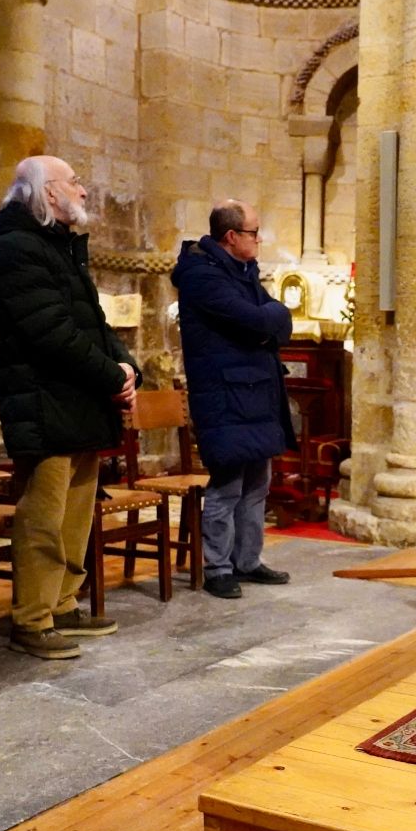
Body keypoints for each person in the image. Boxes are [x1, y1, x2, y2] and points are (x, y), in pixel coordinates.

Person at [0, 156, 140, 660]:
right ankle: (31, 618)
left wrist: (127, 365)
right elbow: (51, 333)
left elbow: (93, 321)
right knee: (43, 518)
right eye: (75, 182)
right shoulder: (15, 249)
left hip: (78, 401)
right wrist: (111, 376)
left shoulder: (59, 246)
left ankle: (64, 604)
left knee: (75, 515)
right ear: (48, 192)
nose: (84, 191)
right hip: (44, 401)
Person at [171, 199, 296, 600]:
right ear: (231, 236)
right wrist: (265, 324)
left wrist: (266, 323)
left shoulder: (242, 272)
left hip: (255, 390)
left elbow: (279, 318)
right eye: (253, 233)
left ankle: (248, 560)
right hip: (225, 393)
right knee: (227, 485)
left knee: (258, 483)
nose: (259, 240)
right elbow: (258, 320)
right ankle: (218, 567)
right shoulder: (202, 276)